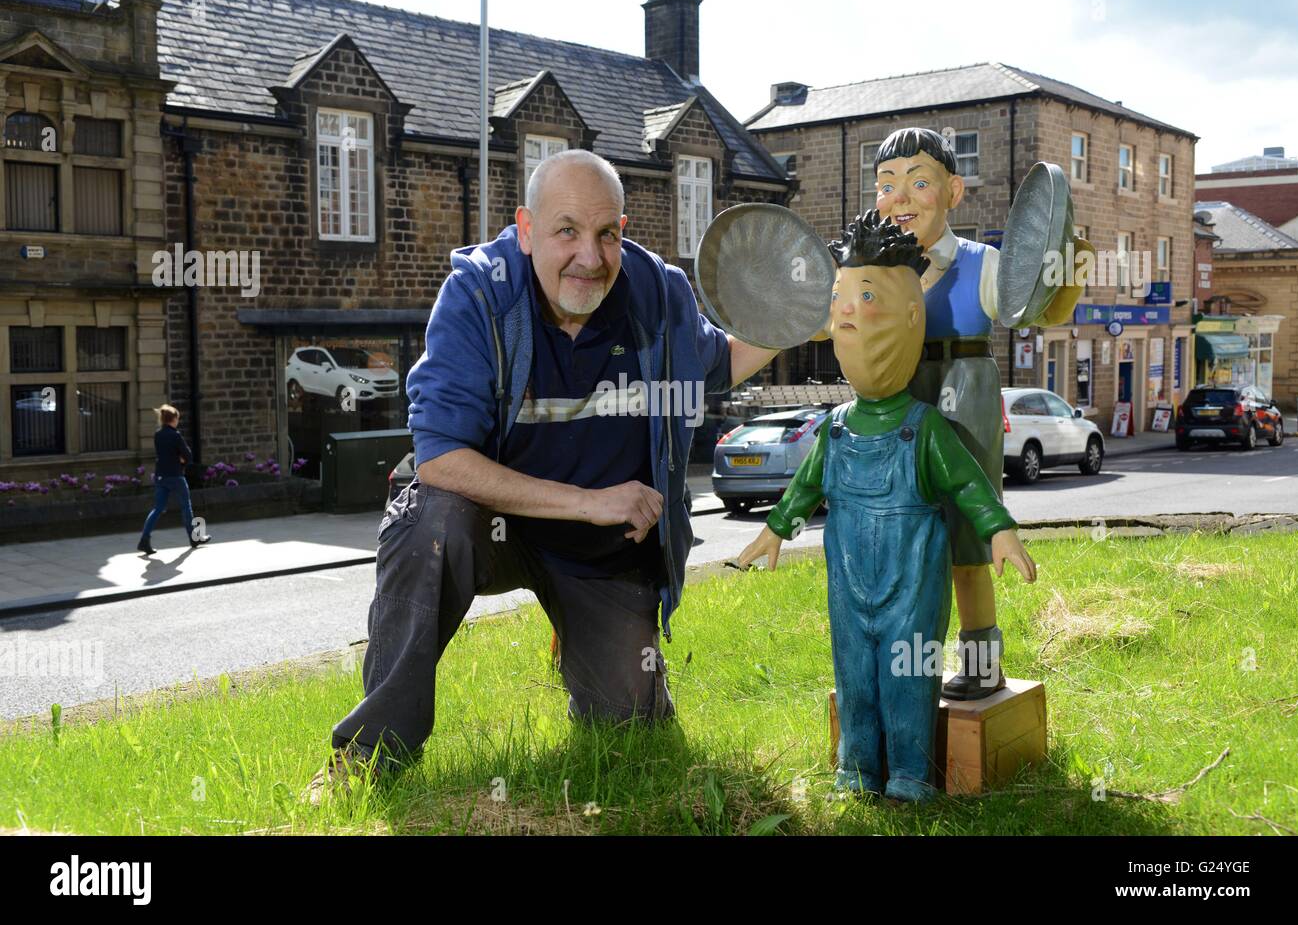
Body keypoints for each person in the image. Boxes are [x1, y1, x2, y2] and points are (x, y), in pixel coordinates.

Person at [305, 150, 783, 803]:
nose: (590, 256)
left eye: (607, 232)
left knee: (634, 739)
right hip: (490, 524)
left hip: (599, 556)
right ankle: (369, 754)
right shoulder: (480, 292)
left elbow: (719, 360)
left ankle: (579, 635)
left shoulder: (655, 291)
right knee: (432, 521)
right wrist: (588, 502)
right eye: (567, 231)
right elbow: (441, 456)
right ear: (526, 230)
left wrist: (799, 308)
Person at [735, 212, 1036, 800]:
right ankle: (856, 767)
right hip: (848, 579)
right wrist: (775, 530)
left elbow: (970, 486)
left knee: (909, 674)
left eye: (864, 296)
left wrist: (999, 531)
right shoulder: (837, 427)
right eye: (841, 299)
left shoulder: (924, 429)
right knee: (854, 673)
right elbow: (806, 489)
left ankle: (911, 772)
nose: (846, 312)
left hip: (913, 580)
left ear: (909, 318)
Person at [871, 127, 1087, 700]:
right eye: (887, 185)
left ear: (953, 191)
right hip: (899, 394)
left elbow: (1036, 311)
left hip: (965, 390)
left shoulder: (981, 263)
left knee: (969, 533)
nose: (902, 197)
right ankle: (908, 662)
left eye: (919, 182)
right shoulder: (877, 269)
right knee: (903, 535)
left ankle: (981, 661)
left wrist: (1067, 263)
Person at [137, 404, 211, 555]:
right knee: (186, 506)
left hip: (160, 476)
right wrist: (181, 459)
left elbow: (164, 453)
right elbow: (188, 456)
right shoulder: (175, 435)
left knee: (157, 509)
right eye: (177, 418)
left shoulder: (158, 434)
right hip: (175, 476)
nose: (178, 421)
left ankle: (144, 540)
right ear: (174, 419)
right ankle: (194, 537)